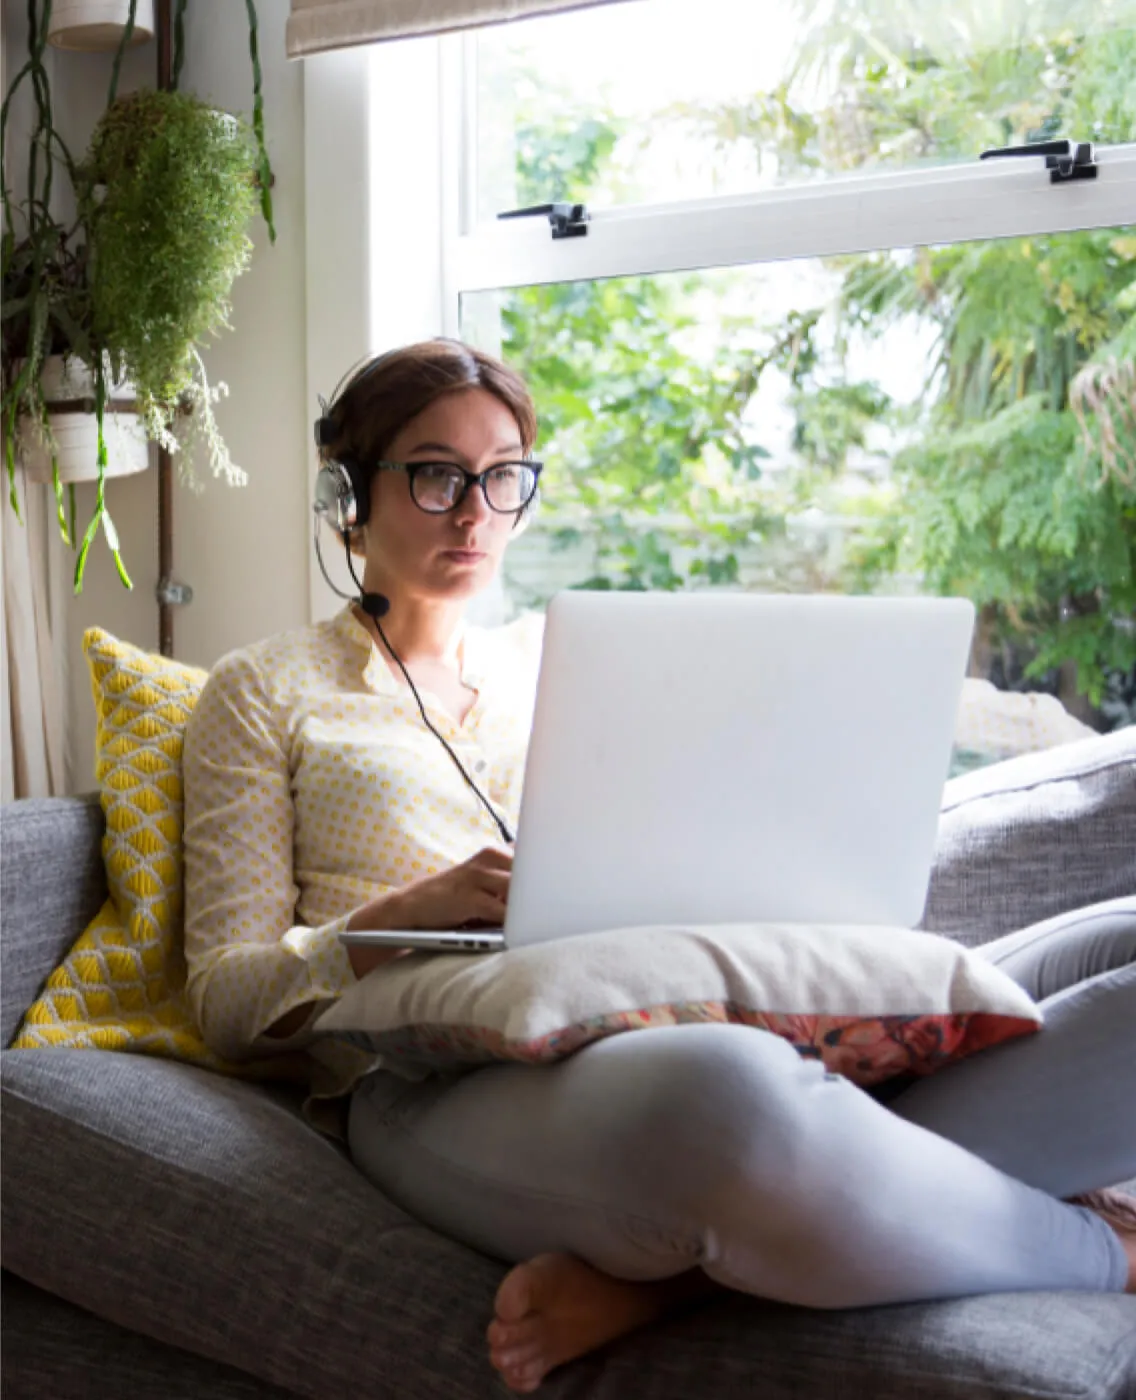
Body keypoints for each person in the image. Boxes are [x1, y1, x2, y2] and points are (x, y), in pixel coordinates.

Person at [182, 339, 1136, 1396]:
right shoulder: (262, 690)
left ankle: (678, 1283)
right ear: (348, 495)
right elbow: (224, 996)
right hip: (436, 1077)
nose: (476, 513)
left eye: (504, 477)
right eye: (437, 475)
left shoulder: (563, 661)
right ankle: (1105, 1251)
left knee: (1121, 943)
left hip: (664, 996)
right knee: (736, 1094)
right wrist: (402, 915)